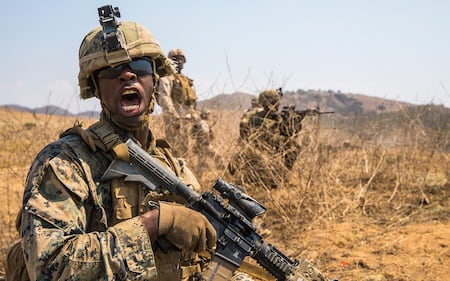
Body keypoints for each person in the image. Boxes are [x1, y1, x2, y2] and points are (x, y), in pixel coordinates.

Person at [6, 7, 216, 281]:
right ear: (95, 86)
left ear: (154, 79)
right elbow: (48, 266)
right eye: (111, 70)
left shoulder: (175, 168)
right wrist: (154, 224)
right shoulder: (65, 164)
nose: (127, 76)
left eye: (139, 68)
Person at [228, 89, 302, 188]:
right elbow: (264, 139)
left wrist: (293, 125)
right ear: (269, 104)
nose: (279, 104)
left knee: (293, 146)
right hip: (255, 154)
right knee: (292, 147)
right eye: (276, 102)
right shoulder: (256, 118)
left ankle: (282, 175)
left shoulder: (274, 117)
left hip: (265, 154)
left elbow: (286, 136)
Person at [156, 48, 200, 157]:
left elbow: (191, 102)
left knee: (186, 149)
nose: (179, 62)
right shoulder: (166, 78)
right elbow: (164, 98)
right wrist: (174, 117)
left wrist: (195, 116)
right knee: (174, 149)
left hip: (188, 120)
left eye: (181, 59)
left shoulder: (186, 81)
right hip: (174, 120)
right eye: (176, 59)